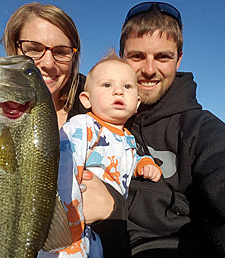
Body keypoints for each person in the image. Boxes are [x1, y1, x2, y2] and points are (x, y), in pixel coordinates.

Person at [81, 2, 225, 258]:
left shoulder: (199, 128)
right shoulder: (95, 114)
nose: (149, 70)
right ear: (122, 57)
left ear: (179, 59)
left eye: (163, 57)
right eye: (137, 56)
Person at [0, 3, 88, 223]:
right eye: (33, 48)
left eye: (61, 52)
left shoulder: (95, 107)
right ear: (14, 48)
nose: (47, 63)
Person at [55, 52, 162, 257]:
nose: (118, 92)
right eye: (107, 85)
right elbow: (65, 166)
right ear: (86, 99)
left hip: (103, 231)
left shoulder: (128, 138)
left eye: (127, 87)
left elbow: (128, 160)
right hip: (72, 224)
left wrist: (143, 163)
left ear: (137, 103)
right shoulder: (83, 126)